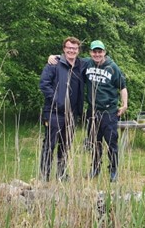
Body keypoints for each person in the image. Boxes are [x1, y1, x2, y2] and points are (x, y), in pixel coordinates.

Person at [47, 40, 128, 182]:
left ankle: (113, 170)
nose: (97, 54)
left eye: (100, 51)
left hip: (108, 112)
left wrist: (125, 104)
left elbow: (122, 86)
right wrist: (54, 57)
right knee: (94, 143)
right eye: (94, 51)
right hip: (92, 112)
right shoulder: (86, 63)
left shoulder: (113, 68)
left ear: (104, 52)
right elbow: (70, 58)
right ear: (90, 53)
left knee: (111, 143)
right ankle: (95, 168)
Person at [39, 36, 85, 182]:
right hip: (54, 113)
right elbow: (44, 84)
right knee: (49, 145)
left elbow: (97, 60)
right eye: (69, 48)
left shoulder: (81, 66)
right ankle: (44, 176)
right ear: (64, 49)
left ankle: (61, 175)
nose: (72, 50)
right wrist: (57, 102)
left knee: (65, 146)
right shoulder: (53, 65)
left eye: (75, 48)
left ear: (78, 51)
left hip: (71, 115)